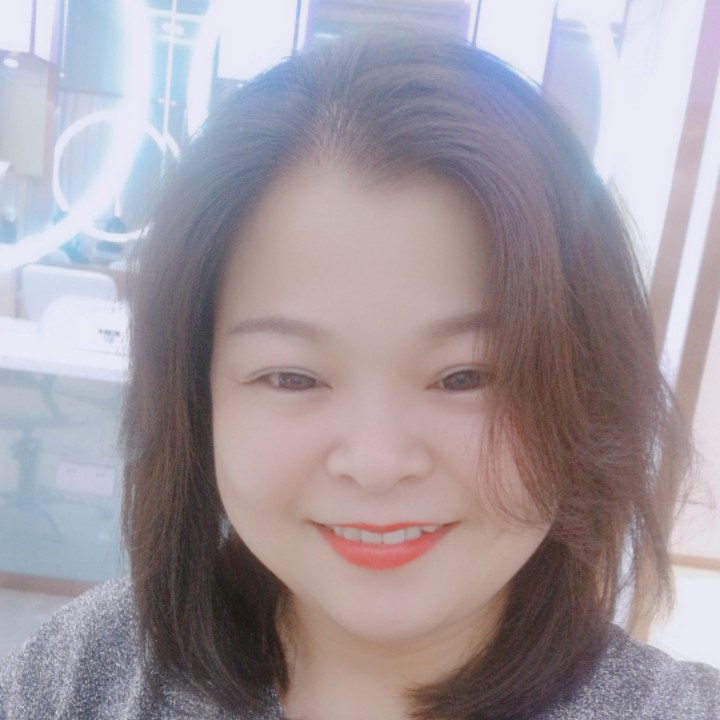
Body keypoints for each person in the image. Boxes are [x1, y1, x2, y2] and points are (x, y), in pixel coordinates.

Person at [1, 30, 719, 720]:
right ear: (198, 398)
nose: (377, 464)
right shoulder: (85, 674)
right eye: (292, 378)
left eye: (465, 376)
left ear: (589, 391)